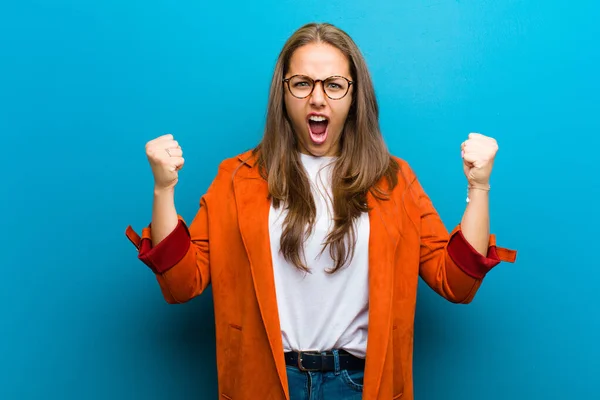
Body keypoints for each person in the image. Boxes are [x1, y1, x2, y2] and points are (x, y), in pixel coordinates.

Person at [125, 22, 517, 400]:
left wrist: (478, 187)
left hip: (360, 384)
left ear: (353, 95)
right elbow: (180, 284)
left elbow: (457, 283)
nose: (317, 98)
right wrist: (164, 189)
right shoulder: (236, 179)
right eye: (302, 83)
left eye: (333, 85)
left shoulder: (394, 181)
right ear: (283, 93)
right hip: (267, 383)